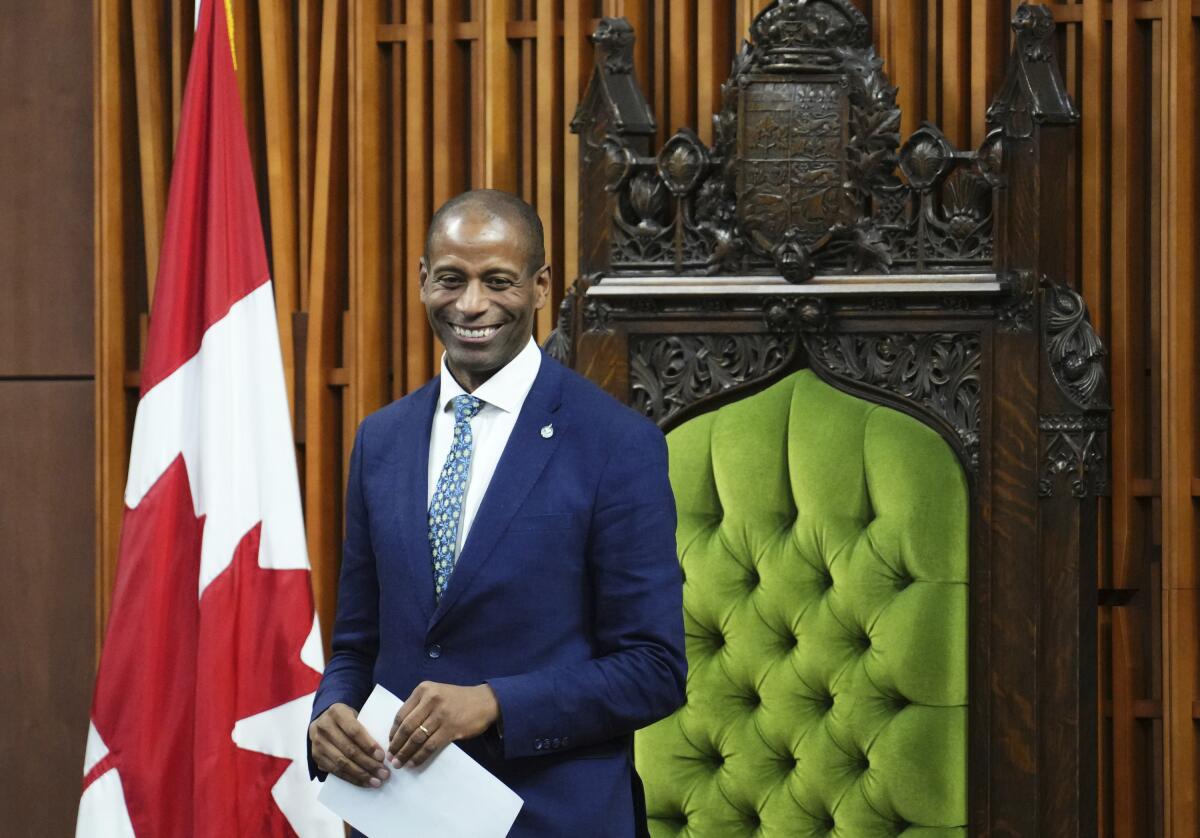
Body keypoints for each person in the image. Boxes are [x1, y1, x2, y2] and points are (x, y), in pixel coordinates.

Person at [307, 189, 686, 836]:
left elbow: (653, 670)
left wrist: (494, 704)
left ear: (541, 288)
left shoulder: (616, 445)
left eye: (498, 281)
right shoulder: (381, 441)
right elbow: (357, 643)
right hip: (399, 818)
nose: (472, 304)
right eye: (451, 279)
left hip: (553, 818)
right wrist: (330, 713)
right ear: (424, 282)